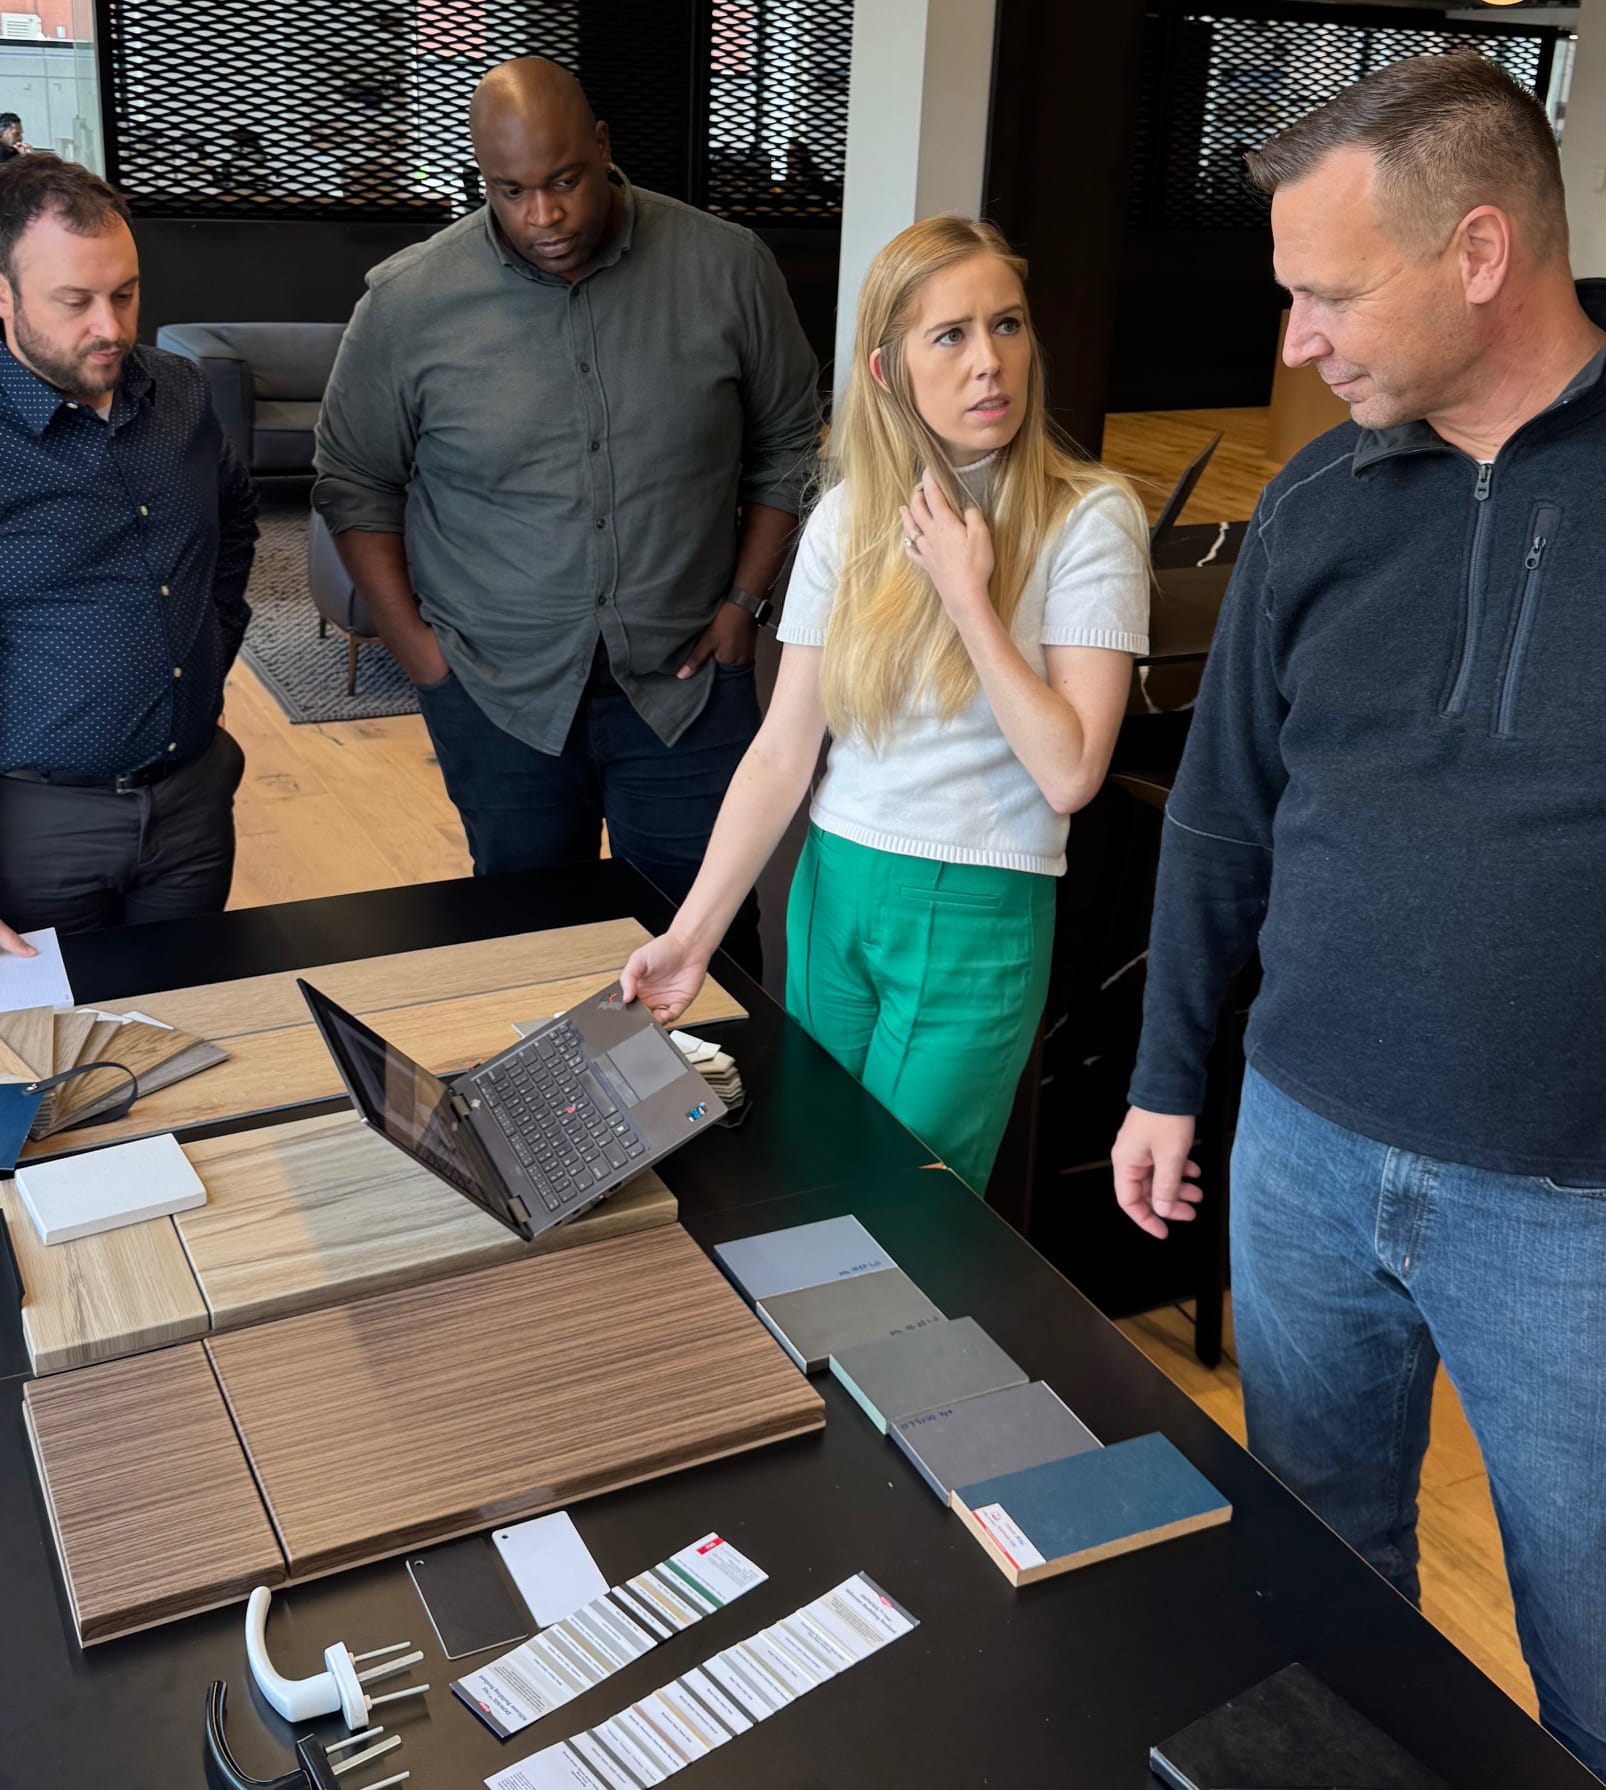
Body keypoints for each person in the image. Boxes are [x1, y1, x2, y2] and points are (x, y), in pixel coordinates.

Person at [1110, 53, 1606, 1772]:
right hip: (1299, 1158)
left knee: (1593, 1661)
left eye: (1328, 293)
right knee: (1320, 1599)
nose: (1298, 341)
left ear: (1477, 252)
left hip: (1570, 1209)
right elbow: (1222, 816)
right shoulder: (1315, 504)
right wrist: (1165, 1080)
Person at [621, 216, 1149, 1193]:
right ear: (887, 369)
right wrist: (691, 939)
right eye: (949, 335)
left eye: (1007, 324)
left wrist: (967, 598)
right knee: (810, 1174)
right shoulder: (848, 515)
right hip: (834, 881)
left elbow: (1071, 773)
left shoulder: (1090, 516)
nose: (988, 361)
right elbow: (782, 752)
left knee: (909, 1204)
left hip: (978, 898)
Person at [314, 57, 819, 974]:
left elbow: (788, 441)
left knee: (708, 946)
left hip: (686, 687)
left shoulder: (726, 266)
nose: (543, 215)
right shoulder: (409, 302)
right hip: (493, 693)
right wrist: (421, 656)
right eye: (510, 191)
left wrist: (745, 604)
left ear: (602, 146)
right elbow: (353, 481)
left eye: (564, 181)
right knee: (526, 949)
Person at [0, 155, 257, 957]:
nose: (110, 327)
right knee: (60, 1036)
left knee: (193, 1008)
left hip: (192, 801)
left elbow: (233, 531)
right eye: (74, 301)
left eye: (125, 293)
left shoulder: (182, 393)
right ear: (3, 296)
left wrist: (206, 661)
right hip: (35, 824)